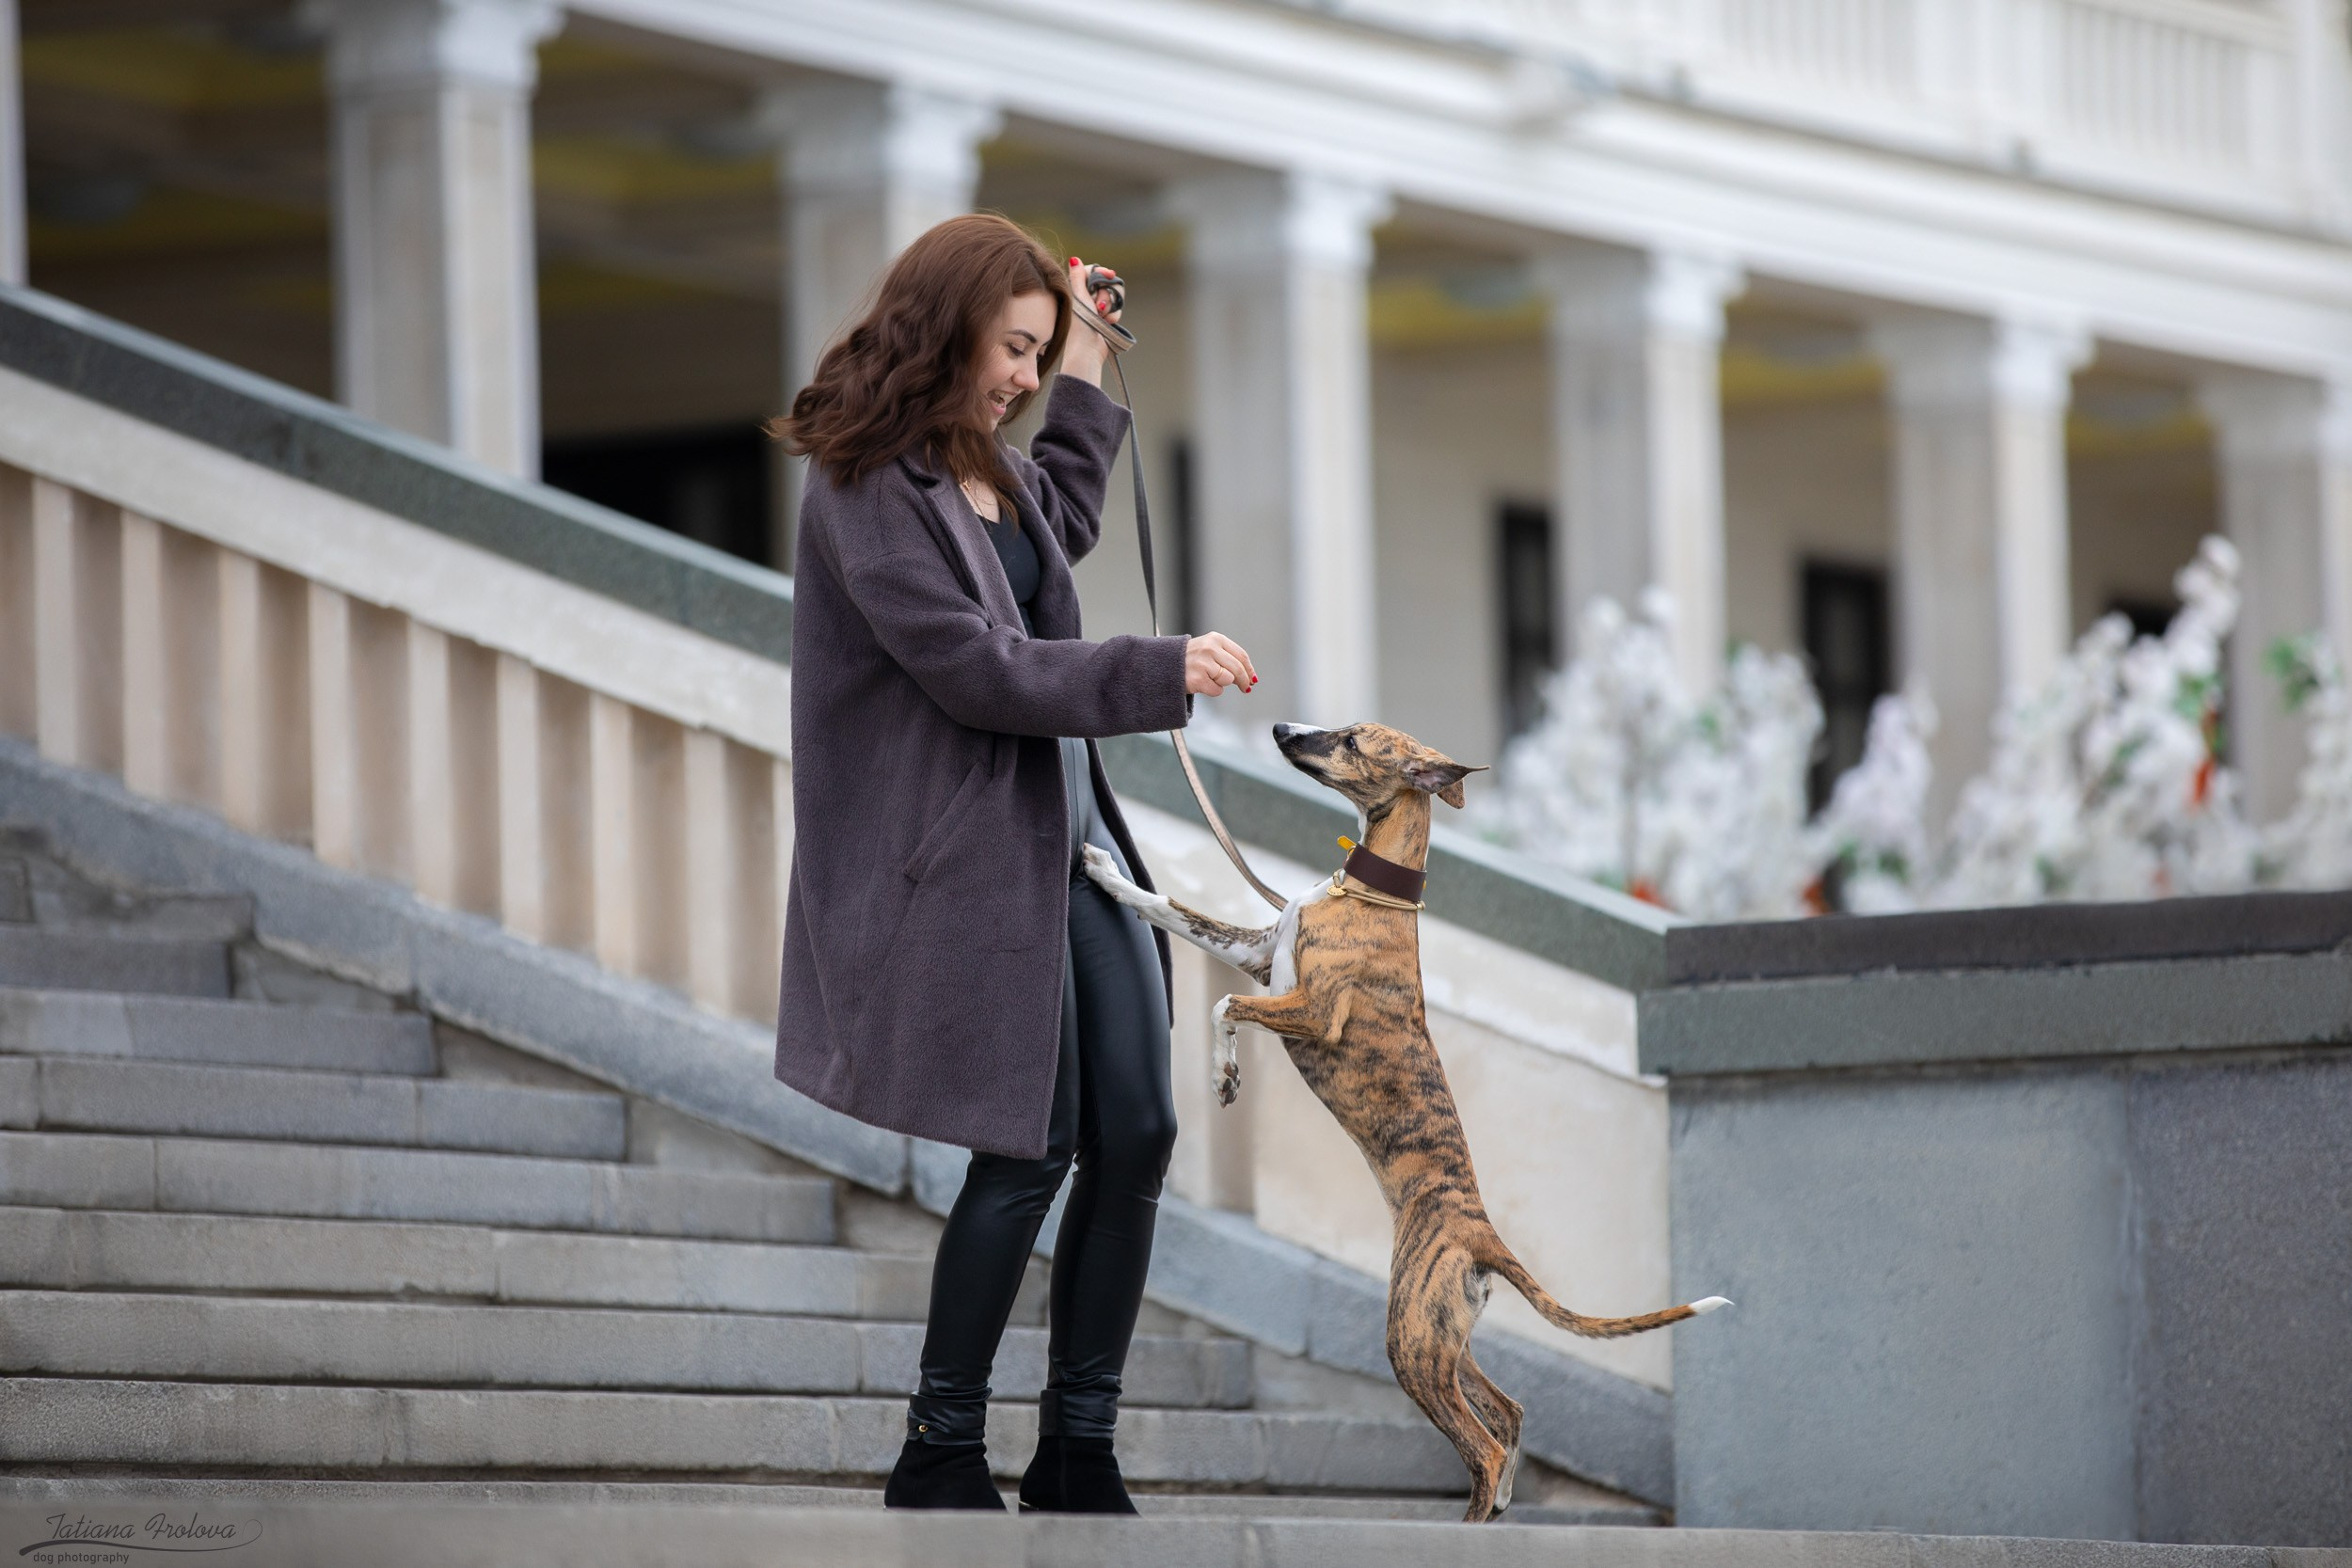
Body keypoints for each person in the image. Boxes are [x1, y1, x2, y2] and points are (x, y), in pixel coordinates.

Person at [768, 213, 1259, 1513]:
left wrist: (1092, 354)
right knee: (1034, 1141)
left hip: (1070, 831)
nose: (1025, 378)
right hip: (967, 854)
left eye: (1042, 356)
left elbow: (1067, 525)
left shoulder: (990, 466)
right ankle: (940, 1447)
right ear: (949, 326)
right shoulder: (868, 487)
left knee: (1138, 1128)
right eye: (1015, 348)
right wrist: (1159, 669)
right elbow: (978, 671)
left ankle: (1078, 1445)